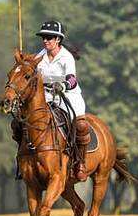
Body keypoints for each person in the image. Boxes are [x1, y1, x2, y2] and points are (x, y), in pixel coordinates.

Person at [12, 20, 91, 181]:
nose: (45, 40)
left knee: (81, 126)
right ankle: (23, 160)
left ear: (58, 40)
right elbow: (28, 68)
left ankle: (79, 162)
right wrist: (21, 60)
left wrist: (62, 86)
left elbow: (72, 80)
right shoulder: (40, 56)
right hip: (45, 96)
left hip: (67, 95)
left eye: (49, 37)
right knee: (19, 123)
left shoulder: (66, 57)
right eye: (44, 37)